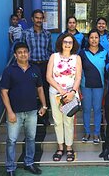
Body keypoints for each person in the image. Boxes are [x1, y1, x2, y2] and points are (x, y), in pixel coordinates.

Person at [0, 42, 48, 176]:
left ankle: (29, 163)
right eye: (20, 52)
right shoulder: (9, 70)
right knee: (11, 140)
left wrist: (44, 105)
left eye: (25, 51)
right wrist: (9, 111)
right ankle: (10, 168)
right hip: (15, 112)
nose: (23, 54)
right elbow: (3, 92)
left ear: (29, 53)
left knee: (31, 138)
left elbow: (40, 88)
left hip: (32, 111)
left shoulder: (35, 69)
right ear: (15, 55)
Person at [46, 33, 82, 162]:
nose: (67, 44)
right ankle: (60, 147)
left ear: (73, 44)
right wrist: (61, 91)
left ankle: (69, 147)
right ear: (61, 43)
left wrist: (72, 92)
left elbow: (78, 77)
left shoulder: (76, 58)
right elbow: (48, 76)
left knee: (68, 121)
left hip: (71, 94)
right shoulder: (54, 57)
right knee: (57, 121)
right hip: (55, 93)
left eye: (70, 42)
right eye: (65, 42)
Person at [22, 9, 54, 126]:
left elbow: (50, 51)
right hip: (31, 65)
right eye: (37, 18)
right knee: (31, 91)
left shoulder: (47, 34)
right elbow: (22, 50)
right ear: (32, 19)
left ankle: (44, 117)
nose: (39, 20)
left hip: (44, 65)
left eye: (41, 18)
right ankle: (32, 118)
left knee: (45, 90)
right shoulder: (26, 33)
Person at [79, 29, 109, 144]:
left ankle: (96, 133)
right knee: (86, 109)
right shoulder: (82, 52)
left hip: (99, 86)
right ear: (88, 39)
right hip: (85, 86)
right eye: (91, 37)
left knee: (97, 110)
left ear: (99, 39)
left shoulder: (104, 52)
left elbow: (107, 70)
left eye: (96, 37)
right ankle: (87, 132)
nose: (94, 40)